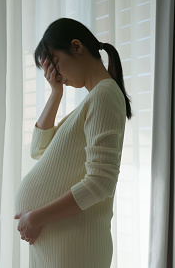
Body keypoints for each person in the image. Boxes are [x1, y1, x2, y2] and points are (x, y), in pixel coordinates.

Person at [14, 18, 132, 268]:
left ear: (77, 47)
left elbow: (100, 182)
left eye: (54, 62)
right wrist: (56, 92)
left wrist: (35, 218)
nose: (55, 74)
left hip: (75, 248)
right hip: (62, 246)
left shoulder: (105, 95)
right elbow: (38, 149)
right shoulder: (91, 102)